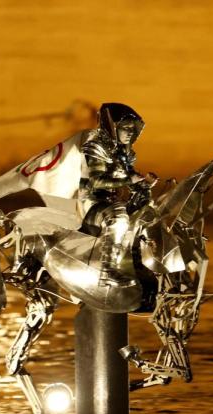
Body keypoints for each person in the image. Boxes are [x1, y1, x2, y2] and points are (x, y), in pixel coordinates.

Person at [77, 103, 156, 285]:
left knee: (147, 214)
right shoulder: (97, 148)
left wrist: (144, 184)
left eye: (132, 129)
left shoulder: (124, 153)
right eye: (125, 128)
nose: (130, 132)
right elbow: (96, 182)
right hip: (94, 204)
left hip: (116, 201)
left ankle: (139, 262)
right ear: (113, 128)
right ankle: (108, 271)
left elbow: (130, 179)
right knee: (119, 218)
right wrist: (129, 180)